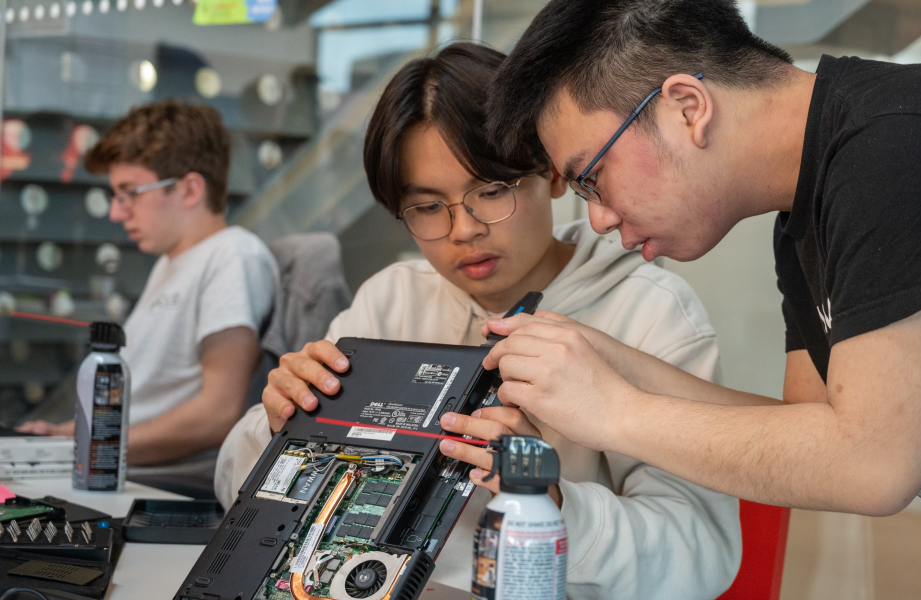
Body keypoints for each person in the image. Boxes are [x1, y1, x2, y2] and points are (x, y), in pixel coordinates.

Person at [477, 1, 921, 598]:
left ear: (686, 106)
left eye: (591, 176)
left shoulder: (899, 150)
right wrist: (610, 361)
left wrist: (611, 411)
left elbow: (871, 467)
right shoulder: (805, 208)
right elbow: (809, 430)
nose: (598, 217)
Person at [215, 43, 741, 599]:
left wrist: (551, 501)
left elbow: (700, 561)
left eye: (490, 192)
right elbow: (232, 486)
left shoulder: (648, 312)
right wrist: (281, 432)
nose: (463, 230)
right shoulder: (392, 302)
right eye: (426, 206)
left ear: (554, 173)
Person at [19, 101, 278, 473]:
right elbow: (144, 402)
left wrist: (83, 444)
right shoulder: (170, 264)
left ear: (189, 189)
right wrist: (60, 434)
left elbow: (218, 413)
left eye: (130, 193)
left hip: (156, 480)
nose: (116, 212)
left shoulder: (233, 256)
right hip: (112, 464)